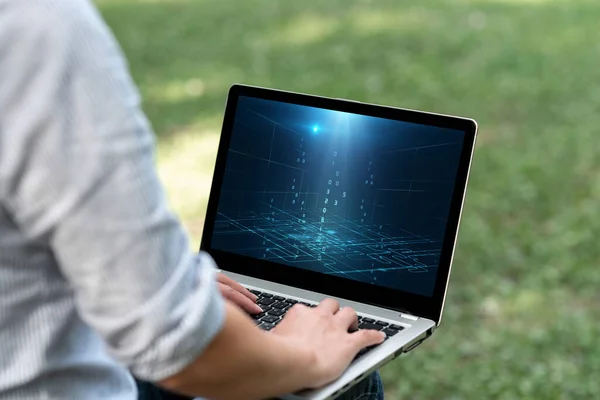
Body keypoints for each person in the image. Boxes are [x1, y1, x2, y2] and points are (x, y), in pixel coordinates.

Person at [0, 1, 386, 399]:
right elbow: (178, 347)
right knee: (346, 380)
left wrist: (160, 285)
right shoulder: (39, 27)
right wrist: (304, 355)